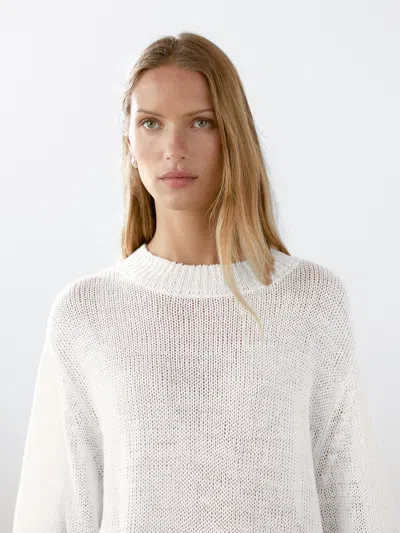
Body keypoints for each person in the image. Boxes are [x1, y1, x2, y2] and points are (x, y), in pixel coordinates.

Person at [12, 32, 398, 533]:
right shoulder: (87, 314)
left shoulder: (311, 301)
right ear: (129, 143)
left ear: (232, 135)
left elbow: (354, 503)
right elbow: (53, 513)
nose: (173, 149)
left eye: (200, 122)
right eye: (151, 123)